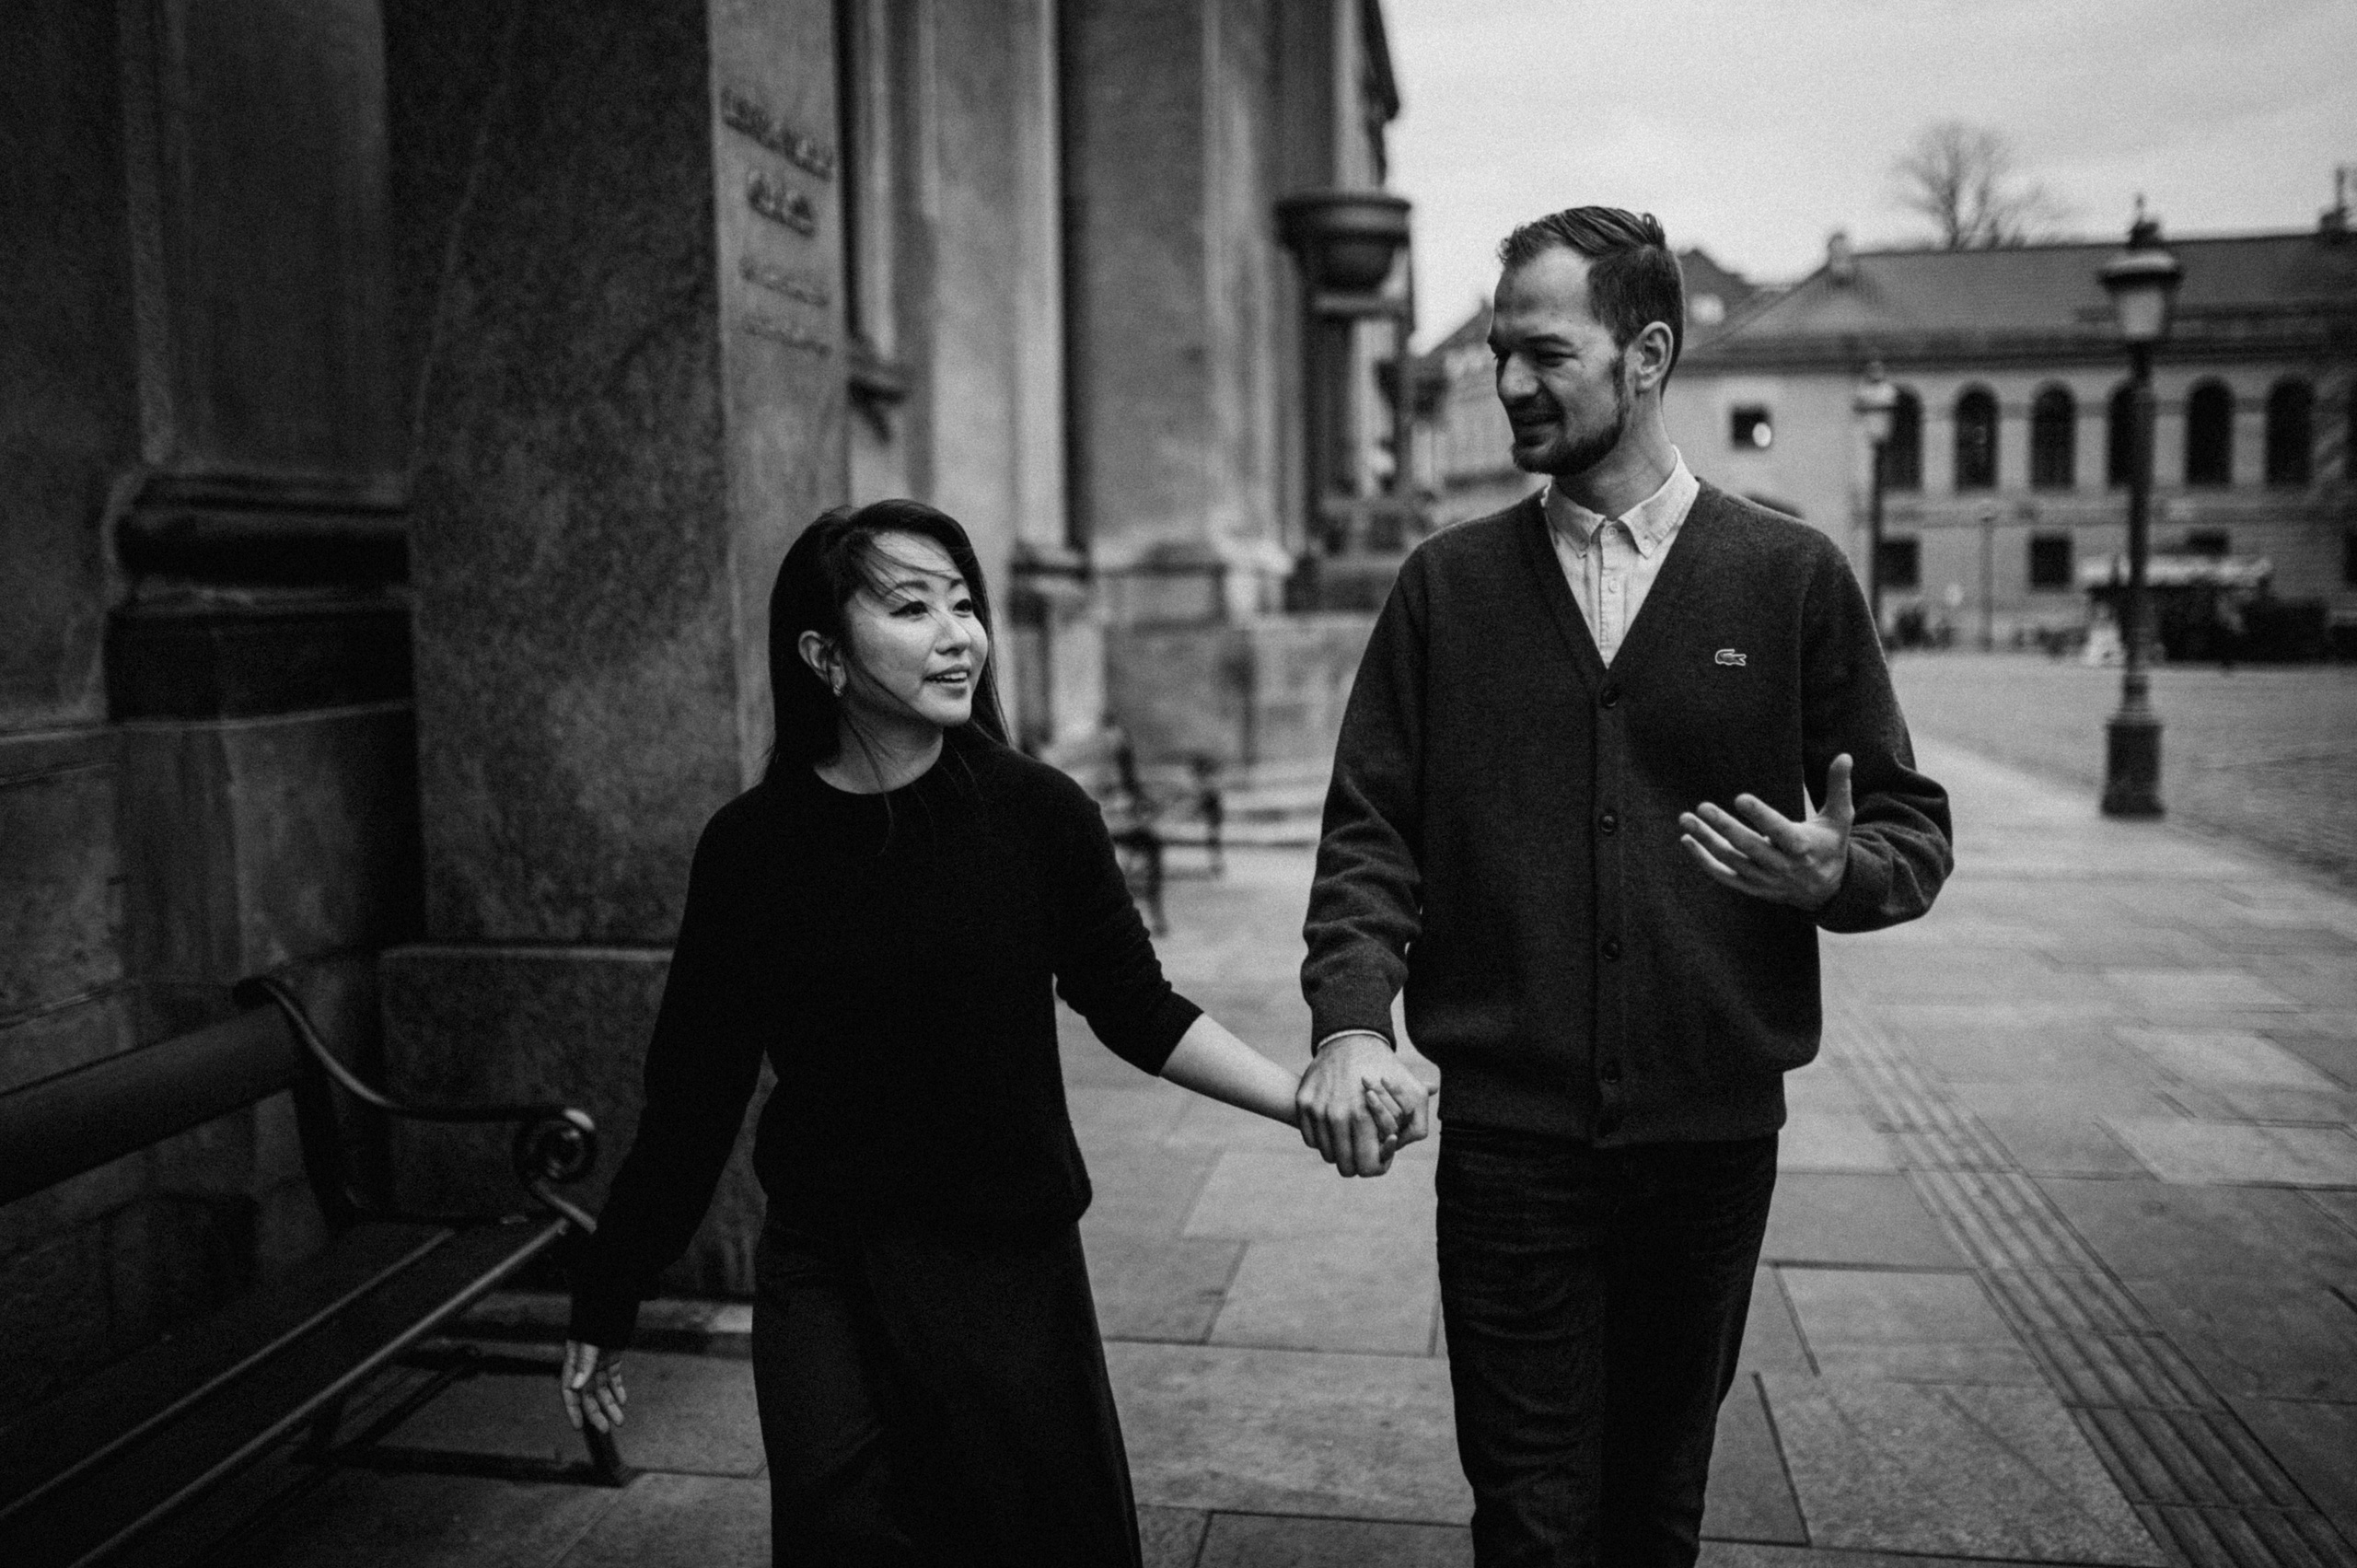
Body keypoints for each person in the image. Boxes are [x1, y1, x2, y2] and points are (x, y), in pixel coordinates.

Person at [559, 499, 1427, 1565]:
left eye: (962, 603)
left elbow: (1136, 1006)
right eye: (911, 606)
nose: (956, 632)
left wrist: (1303, 1095)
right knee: (840, 1532)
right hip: (828, 1267)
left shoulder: (1036, 813)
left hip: (1008, 1262)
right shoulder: (751, 849)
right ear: (823, 654)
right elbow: (694, 1097)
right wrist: (607, 1291)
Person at [1293, 208, 1952, 1566]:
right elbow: (1371, 831)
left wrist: (1843, 871)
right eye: (1498, 352)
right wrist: (1352, 1016)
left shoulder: (1788, 579)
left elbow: (1906, 829)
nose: (1509, 383)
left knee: (1654, 1507)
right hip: (1510, 1141)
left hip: (1709, 1142)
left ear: (1647, 354)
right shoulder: (1447, 589)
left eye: (1545, 351)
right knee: (1531, 1515)